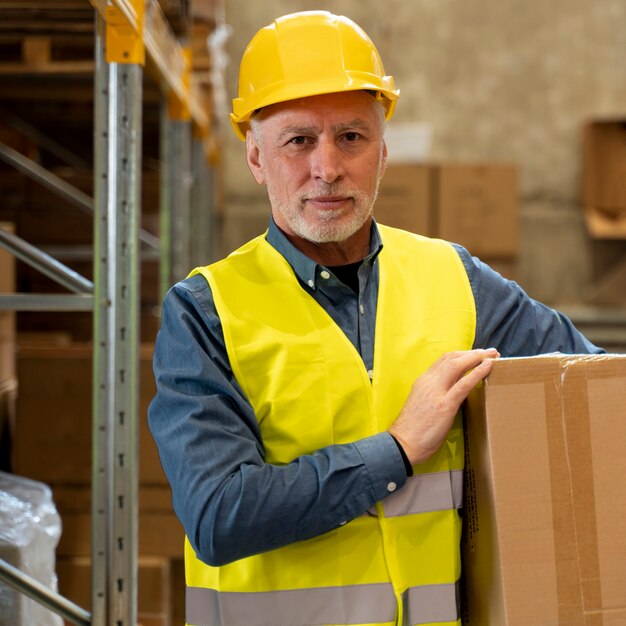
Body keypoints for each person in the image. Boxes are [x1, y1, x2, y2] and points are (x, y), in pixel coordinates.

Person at [148, 10, 604, 626]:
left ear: (383, 153)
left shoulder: (456, 278)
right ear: (256, 158)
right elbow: (218, 514)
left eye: (352, 138)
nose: (328, 167)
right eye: (299, 140)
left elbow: (595, 389)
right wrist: (397, 449)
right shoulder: (206, 310)